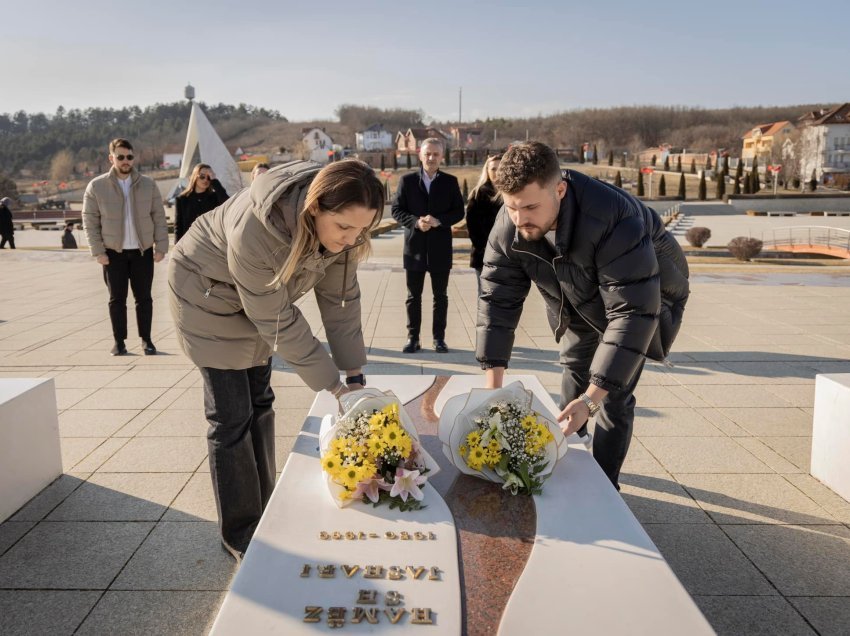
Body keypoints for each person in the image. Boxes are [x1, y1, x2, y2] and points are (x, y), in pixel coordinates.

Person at [168, 159, 384, 561]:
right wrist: (333, 386)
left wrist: (355, 374)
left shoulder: (339, 228)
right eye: (344, 228)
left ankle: (265, 505)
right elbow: (277, 320)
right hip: (206, 295)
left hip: (254, 298)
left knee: (261, 403)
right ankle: (241, 532)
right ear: (315, 207)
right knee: (231, 418)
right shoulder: (258, 227)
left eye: (362, 230)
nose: (353, 239)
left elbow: (340, 300)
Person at [477, 142, 689, 489]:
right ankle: (563, 462)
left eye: (530, 207)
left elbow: (632, 312)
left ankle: (605, 488)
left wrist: (591, 400)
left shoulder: (614, 218)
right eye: (512, 207)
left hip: (646, 289)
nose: (520, 218)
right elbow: (496, 302)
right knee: (574, 368)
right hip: (575, 292)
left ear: (559, 190)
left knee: (613, 394)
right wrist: (492, 393)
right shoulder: (510, 223)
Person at [82, 138, 168, 356]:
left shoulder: (148, 184)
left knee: (144, 298)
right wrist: (98, 251)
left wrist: (161, 246)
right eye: (120, 157)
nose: (125, 161)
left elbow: (159, 216)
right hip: (113, 254)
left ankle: (147, 340)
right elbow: (89, 220)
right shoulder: (97, 186)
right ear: (111, 158)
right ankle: (119, 342)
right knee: (116, 300)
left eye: (129, 156)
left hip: (142, 252)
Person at [391, 138, 464, 353]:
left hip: (441, 249)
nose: (431, 158)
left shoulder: (450, 182)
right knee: (413, 297)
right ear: (420, 155)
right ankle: (413, 338)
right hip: (414, 248)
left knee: (440, 297)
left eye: (435, 154)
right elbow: (396, 210)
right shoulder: (407, 181)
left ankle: (438, 339)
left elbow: (459, 211)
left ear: (442, 157)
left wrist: (439, 221)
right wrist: (415, 222)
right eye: (427, 154)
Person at [466, 154, 502, 291]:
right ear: (487, 171)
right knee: (485, 296)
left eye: (500, 168)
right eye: (493, 169)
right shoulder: (478, 194)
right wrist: (486, 249)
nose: (497, 172)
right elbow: (472, 227)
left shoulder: (513, 193)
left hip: (509, 257)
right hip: (484, 255)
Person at [174, 163, 230, 243]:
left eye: (209, 177)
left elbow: (227, 203)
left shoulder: (215, 197)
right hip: (190, 243)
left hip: (212, 243)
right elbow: (178, 227)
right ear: (194, 177)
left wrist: (214, 180)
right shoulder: (182, 199)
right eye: (202, 176)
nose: (205, 180)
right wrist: (177, 246)